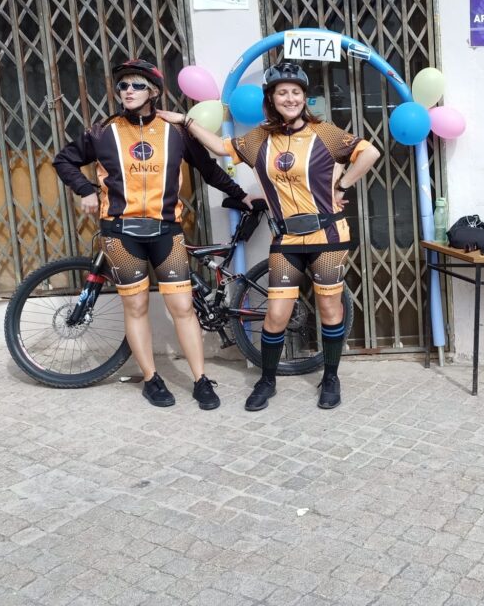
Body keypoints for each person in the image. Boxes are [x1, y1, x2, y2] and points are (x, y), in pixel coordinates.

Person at [158, 61, 380, 411]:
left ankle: (330, 377)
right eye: (282, 93)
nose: (290, 98)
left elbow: (369, 152)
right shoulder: (260, 137)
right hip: (287, 239)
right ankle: (267, 380)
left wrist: (342, 184)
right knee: (276, 313)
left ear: (304, 97)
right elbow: (221, 148)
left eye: (296, 92)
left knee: (328, 306)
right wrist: (186, 121)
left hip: (328, 235)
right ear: (271, 99)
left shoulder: (323, 132)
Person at [53, 58, 251, 410]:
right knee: (136, 305)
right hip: (120, 232)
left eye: (137, 85)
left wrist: (241, 195)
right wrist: (85, 190)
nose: (128, 91)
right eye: (123, 85)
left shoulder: (176, 132)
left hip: (166, 232)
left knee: (183, 307)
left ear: (154, 92)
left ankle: (200, 380)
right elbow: (63, 160)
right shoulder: (103, 132)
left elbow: (208, 170)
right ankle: (151, 379)